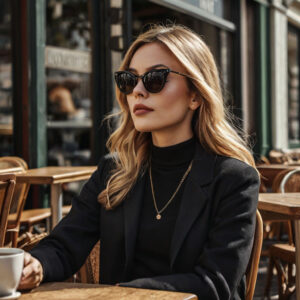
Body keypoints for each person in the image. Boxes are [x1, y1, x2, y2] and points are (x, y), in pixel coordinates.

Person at [19, 24, 260, 299]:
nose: (138, 91)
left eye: (155, 79)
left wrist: (126, 293)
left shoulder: (234, 179)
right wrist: (36, 264)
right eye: (129, 80)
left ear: (195, 95)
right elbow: (65, 245)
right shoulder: (114, 170)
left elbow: (216, 283)